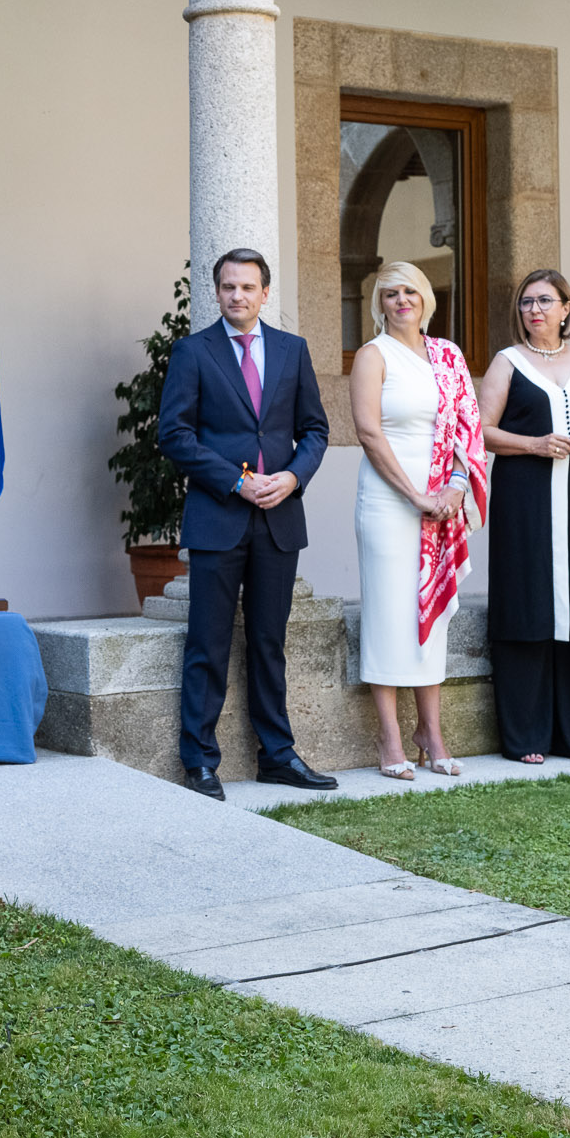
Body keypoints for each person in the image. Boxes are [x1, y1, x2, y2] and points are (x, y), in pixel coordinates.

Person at [159, 248, 334, 800]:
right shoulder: (193, 352)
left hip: (279, 517)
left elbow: (315, 430)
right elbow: (175, 435)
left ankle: (277, 756)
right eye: (228, 287)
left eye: (248, 287)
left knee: (268, 640)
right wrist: (236, 481)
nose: (238, 296)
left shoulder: (292, 350)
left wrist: (292, 478)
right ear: (217, 292)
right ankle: (200, 761)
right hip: (218, 516)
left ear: (264, 293)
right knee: (207, 642)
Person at [350, 261, 487, 780]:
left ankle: (430, 731)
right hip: (389, 500)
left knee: (433, 619)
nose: (401, 299)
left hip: (441, 501)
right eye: (390, 293)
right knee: (388, 613)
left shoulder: (448, 356)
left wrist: (454, 486)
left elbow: (468, 432)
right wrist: (416, 495)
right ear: (378, 303)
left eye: (410, 290)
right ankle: (390, 736)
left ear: (426, 297)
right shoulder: (372, 355)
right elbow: (368, 433)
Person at [481, 268, 570, 763]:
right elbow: (482, 432)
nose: (533, 310)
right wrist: (535, 444)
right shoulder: (506, 362)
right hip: (526, 501)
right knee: (530, 602)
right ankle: (526, 737)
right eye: (525, 302)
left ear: (566, 308)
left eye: (544, 301)